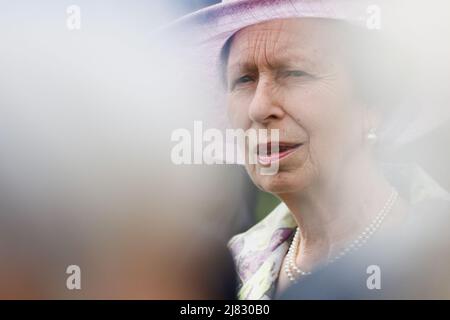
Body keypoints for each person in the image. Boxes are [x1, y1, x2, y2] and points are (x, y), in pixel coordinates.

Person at [168, 0, 450, 299]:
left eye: (294, 73)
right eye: (244, 79)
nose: (259, 107)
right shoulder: (228, 273)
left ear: (372, 102)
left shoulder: (438, 256)